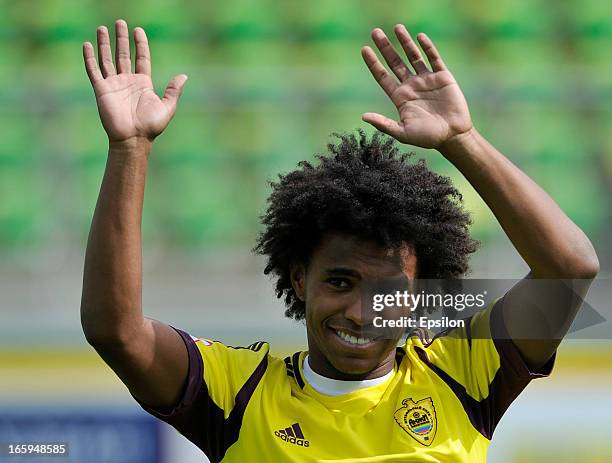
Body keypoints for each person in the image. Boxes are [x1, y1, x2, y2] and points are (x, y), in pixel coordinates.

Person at [80, 19, 599, 462]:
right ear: (300, 278)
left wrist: (463, 142)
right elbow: (117, 332)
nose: (359, 311)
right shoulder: (236, 392)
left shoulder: (464, 371)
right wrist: (130, 149)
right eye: (341, 280)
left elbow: (569, 269)